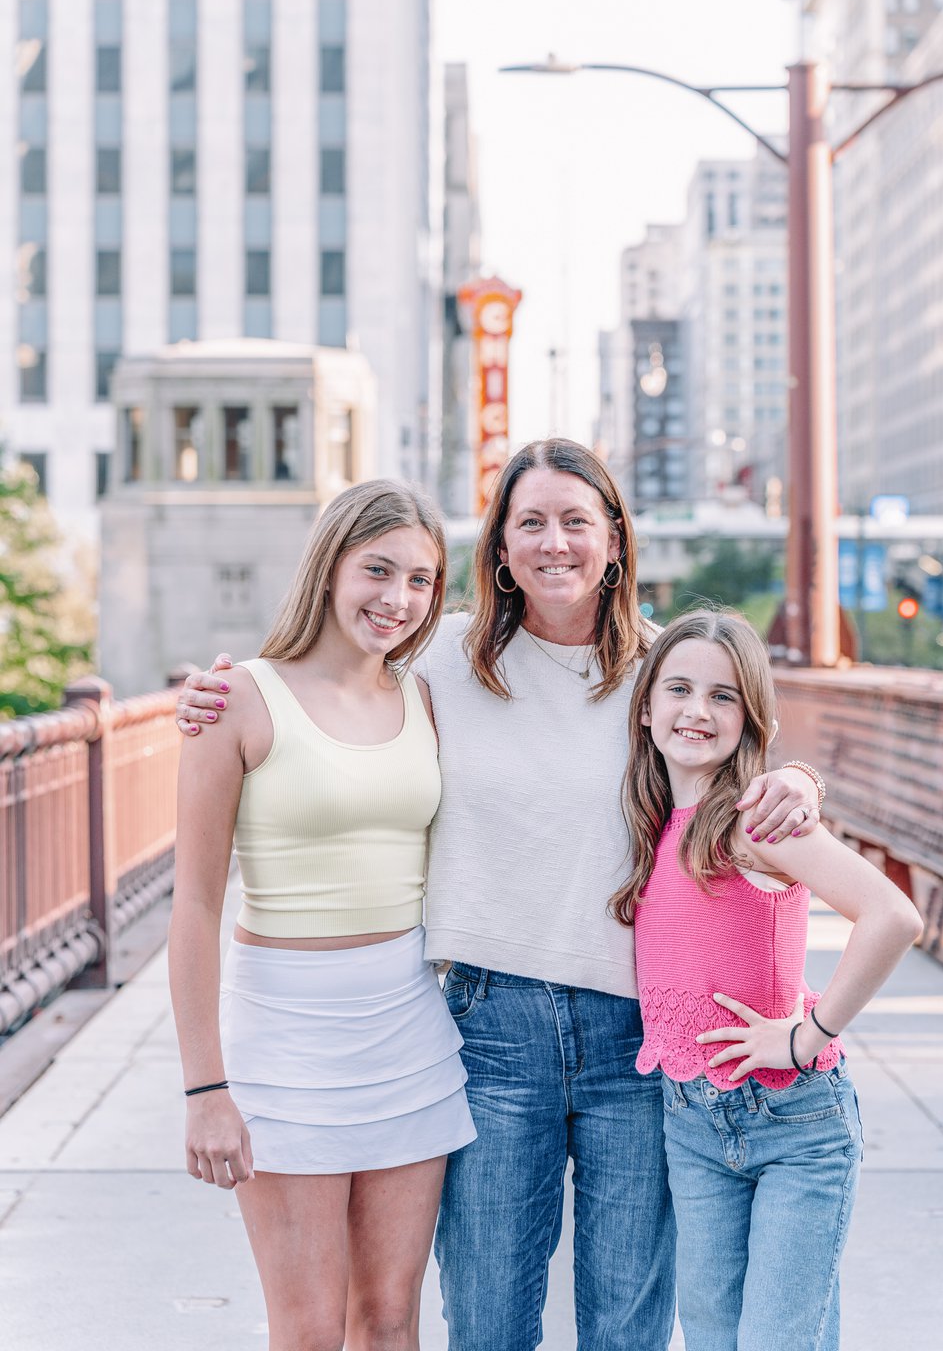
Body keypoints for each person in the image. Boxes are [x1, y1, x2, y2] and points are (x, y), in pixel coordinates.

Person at [177, 438, 825, 1351]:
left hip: (635, 1031)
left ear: (614, 540)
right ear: (502, 548)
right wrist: (217, 697)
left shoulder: (665, 670)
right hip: (487, 1027)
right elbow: (328, 690)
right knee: (484, 1322)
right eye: (531, 523)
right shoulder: (438, 655)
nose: (554, 542)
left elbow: (744, 747)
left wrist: (800, 780)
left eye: (576, 521)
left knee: (627, 1325)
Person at [168, 479, 476, 1351]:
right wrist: (205, 1090)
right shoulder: (236, 699)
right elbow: (195, 903)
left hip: (408, 1035)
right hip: (283, 1043)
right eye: (377, 569)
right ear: (330, 566)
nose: (398, 598)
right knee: (307, 1330)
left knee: (390, 1320)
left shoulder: (427, 696)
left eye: (420, 579)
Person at [612, 609, 922, 1351]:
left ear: (752, 718)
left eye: (723, 696)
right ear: (646, 707)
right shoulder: (654, 821)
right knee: (713, 1336)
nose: (697, 710)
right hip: (692, 1123)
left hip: (792, 1123)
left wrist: (807, 1036)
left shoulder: (754, 820)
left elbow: (892, 916)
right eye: (680, 689)